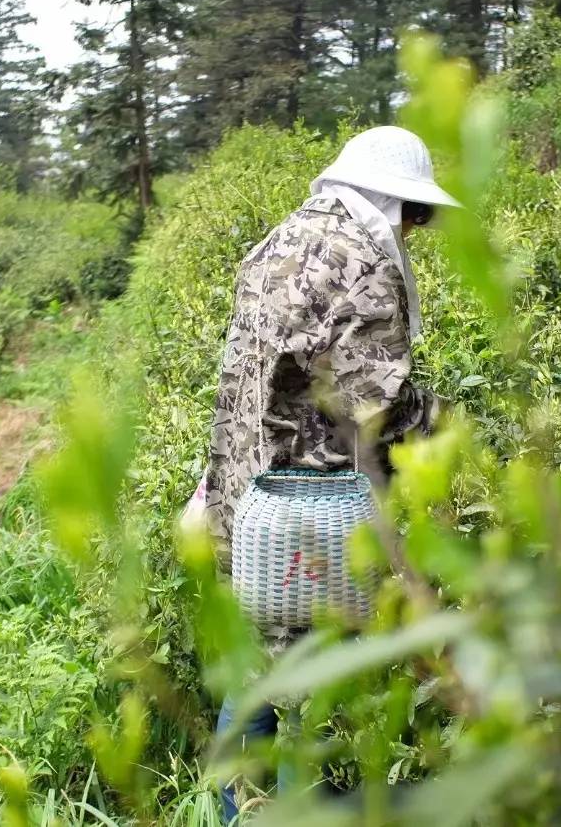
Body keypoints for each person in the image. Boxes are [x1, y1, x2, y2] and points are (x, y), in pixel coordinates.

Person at [194, 126, 461, 822]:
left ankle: (230, 808)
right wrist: (439, 423)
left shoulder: (278, 241)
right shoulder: (363, 264)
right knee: (307, 688)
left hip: (245, 491)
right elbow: (369, 403)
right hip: (309, 509)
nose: (414, 229)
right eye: (414, 214)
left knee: (256, 662)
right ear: (392, 201)